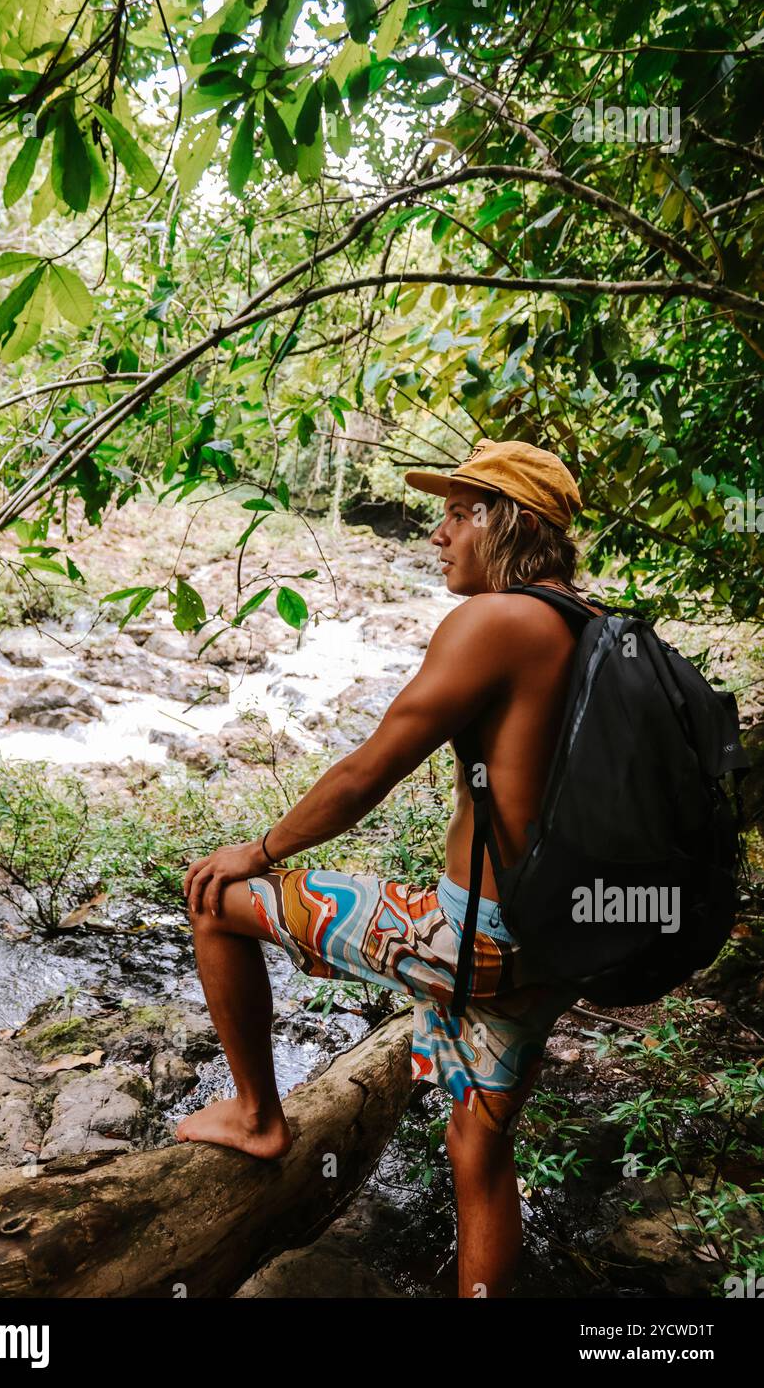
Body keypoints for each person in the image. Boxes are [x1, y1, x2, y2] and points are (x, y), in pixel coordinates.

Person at [178, 438, 603, 1298]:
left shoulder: (494, 621)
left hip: (470, 938)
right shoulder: (593, 626)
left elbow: (366, 773)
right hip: (559, 942)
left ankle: (260, 1118)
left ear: (504, 521)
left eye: (456, 514)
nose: (437, 535)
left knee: (217, 900)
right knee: (478, 1144)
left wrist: (257, 853)